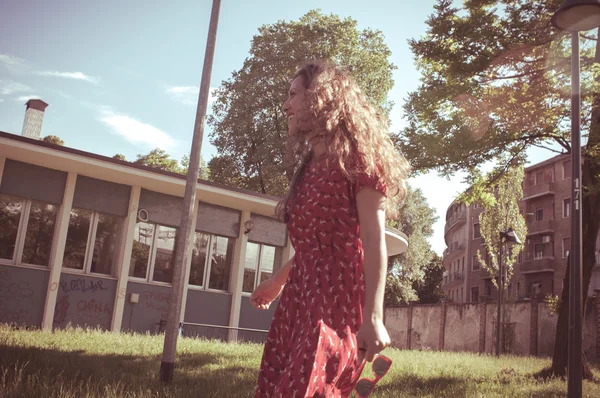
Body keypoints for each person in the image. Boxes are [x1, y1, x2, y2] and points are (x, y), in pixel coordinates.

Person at [250, 61, 410, 398]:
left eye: (293, 95)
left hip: (335, 307)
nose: (285, 105)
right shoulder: (308, 167)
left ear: (320, 98)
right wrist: (277, 281)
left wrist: (374, 317)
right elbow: (317, 245)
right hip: (297, 303)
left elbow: (372, 238)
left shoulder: (359, 162)